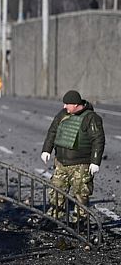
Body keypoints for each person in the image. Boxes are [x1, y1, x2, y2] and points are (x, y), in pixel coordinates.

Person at [40, 90, 105, 225]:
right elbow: (52, 132)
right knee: (56, 191)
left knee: (81, 194)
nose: (64, 107)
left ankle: (80, 222)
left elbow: (98, 140)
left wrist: (95, 161)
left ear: (75, 104)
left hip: (81, 164)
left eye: (67, 104)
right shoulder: (62, 115)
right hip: (61, 163)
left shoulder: (91, 118)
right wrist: (46, 150)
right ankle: (54, 217)